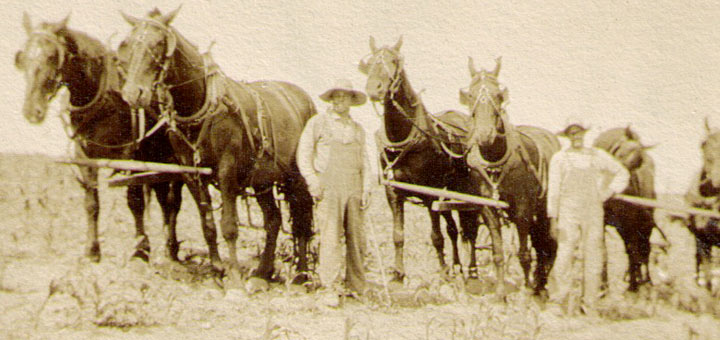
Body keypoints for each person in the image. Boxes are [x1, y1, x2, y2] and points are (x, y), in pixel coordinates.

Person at [296, 79, 373, 306]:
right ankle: (329, 287)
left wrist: (367, 187)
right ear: (331, 99)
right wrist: (312, 180)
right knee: (330, 237)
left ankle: (356, 286)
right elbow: (304, 154)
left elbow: (365, 162)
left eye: (345, 96)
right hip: (328, 188)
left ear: (351, 100)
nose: (340, 100)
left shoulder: (357, 129)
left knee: (356, 236)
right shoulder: (318, 123)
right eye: (336, 96)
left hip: (354, 187)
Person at [547, 123, 630, 315]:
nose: (576, 136)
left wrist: (607, 192)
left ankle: (590, 304)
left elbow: (622, 173)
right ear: (567, 135)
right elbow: (553, 190)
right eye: (572, 133)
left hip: (593, 210)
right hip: (568, 210)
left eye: (579, 132)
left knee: (593, 256)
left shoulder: (596, 155)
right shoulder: (559, 158)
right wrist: (553, 218)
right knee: (565, 254)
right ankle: (558, 301)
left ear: (584, 134)